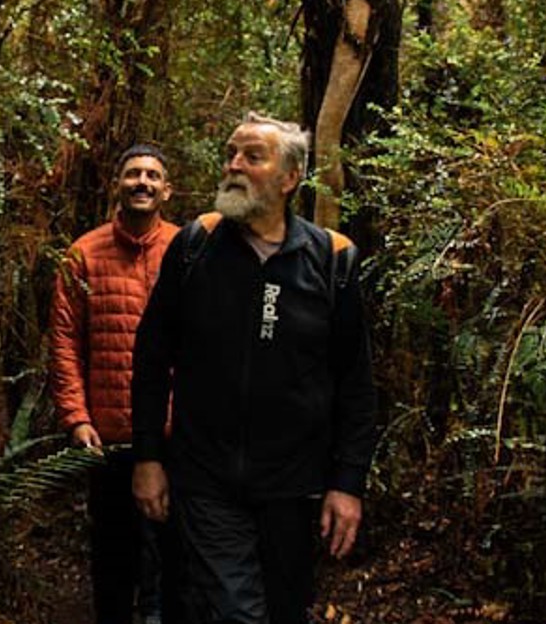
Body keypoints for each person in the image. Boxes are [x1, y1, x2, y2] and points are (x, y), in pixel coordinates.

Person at [129, 113, 377, 624]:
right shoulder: (196, 246)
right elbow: (152, 359)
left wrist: (348, 482)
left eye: (252, 157)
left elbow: (355, 384)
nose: (234, 165)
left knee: (284, 612)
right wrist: (148, 456)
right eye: (231, 155)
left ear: (290, 178)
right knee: (236, 611)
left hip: (294, 488)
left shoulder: (332, 260)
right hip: (207, 482)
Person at [50, 143, 180, 624]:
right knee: (113, 551)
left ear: (167, 190)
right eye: (133, 174)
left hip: (174, 432)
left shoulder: (187, 249)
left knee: (171, 553)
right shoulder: (83, 253)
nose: (142, 182)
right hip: (108, 435)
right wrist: (76, 417)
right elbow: (64, 341)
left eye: (152, 175)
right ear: (117, 186)